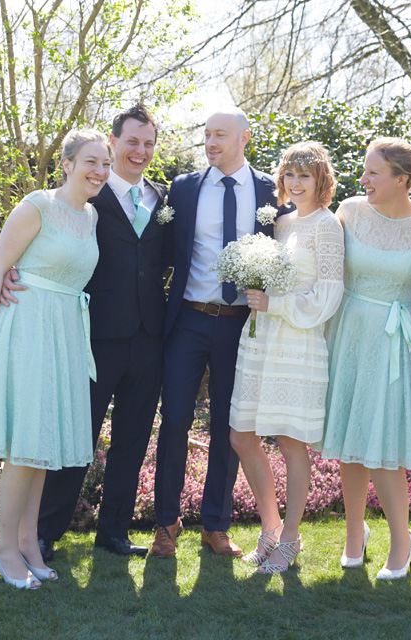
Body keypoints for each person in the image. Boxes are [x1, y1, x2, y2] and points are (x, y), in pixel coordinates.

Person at [1, 104, 169, 559]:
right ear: (113, 143)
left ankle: (112, 531)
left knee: (133, 438)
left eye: (148, 143)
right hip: (91, 338)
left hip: (149, 336)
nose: (140, 151)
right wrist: (10, 276)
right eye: (132, 142)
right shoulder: (87, 197)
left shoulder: (164, 199)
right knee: (76, 434)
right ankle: (42, 532)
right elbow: (46, 243)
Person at [0, 129, 109, 589]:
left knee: (41, 444)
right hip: (26, 329)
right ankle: (4, 548)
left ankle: (27, 541)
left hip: (63, 332)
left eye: (105, 163)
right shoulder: (36, 205)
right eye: (91, 162)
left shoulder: (93, 215)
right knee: (24, 444)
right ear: (67, 163)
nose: (99, 171)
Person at [150, 107, 280, 558]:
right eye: (206, 135)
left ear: (245, 137)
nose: (210, 142)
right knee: (175, 421)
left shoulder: (270, 190)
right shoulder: (184, 189)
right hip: (186, 319)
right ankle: (165, 524)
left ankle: (216, 524)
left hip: (241, 325)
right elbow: (160, 251)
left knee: (231, 425)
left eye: (220, 135)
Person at [320, 138, 411, 581]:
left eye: (372, 173)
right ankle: (354, 533)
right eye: (364, 172)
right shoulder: (348, 211)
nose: (362, 180)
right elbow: (322, 262)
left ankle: (402, 540)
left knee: (385, 443)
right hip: (348, 333)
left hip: (396, 341)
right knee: (350, 437)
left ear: (402, 179)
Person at [229, 142, 344, 574]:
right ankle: (270, 527)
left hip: (298, 343)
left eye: (305, 176)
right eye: (290, 175)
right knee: (241, 434)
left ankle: (290, 539)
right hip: (260, 342)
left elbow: (328, 295)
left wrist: (273, 304)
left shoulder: (326, 226)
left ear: (321, 180)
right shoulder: (282, 224)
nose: (296, 183)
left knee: (292, 443)